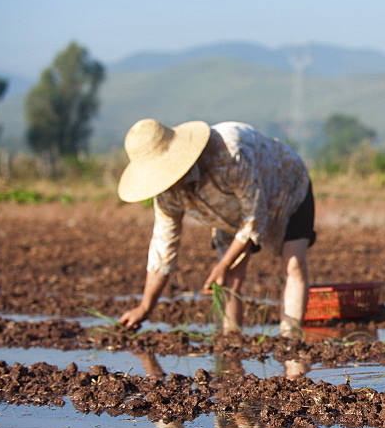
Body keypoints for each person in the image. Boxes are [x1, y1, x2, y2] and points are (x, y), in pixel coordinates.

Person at [117, 118, 315, 337]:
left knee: (293, 264)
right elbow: (162, 249)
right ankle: (232, 342)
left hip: (287, 185)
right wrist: (145, 307)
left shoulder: (228, 154)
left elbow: (254, 217)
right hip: (228, 211)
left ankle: (291, 337)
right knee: (228, 280)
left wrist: (223, 263)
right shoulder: (167, 194)